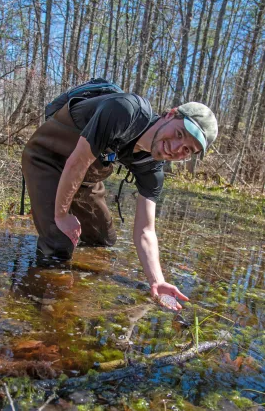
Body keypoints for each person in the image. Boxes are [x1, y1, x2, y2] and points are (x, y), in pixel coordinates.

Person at [22, 93, 218, 310]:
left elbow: (145, 230)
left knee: (103, 239)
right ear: (170, 114)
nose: (175, 148)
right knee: (59, 242)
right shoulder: (125, 111)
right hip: (48, 159)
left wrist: (157, 280)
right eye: (179, 133)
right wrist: (61, 215)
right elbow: (77, 161)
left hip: (84, 178)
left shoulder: (151, 168)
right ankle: (41, 308)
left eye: (187, 149)